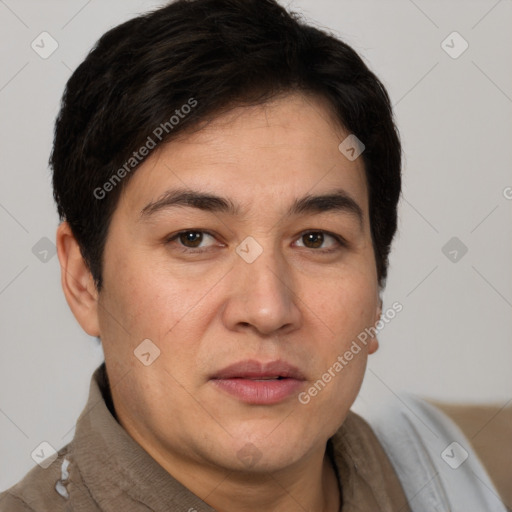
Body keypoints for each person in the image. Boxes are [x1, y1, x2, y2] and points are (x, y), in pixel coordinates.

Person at [0, 0, 506, 511]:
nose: (267, 309)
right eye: (193, 238)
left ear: (376, 291)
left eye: (316, 239)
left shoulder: (481, 481)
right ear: (84, 277)